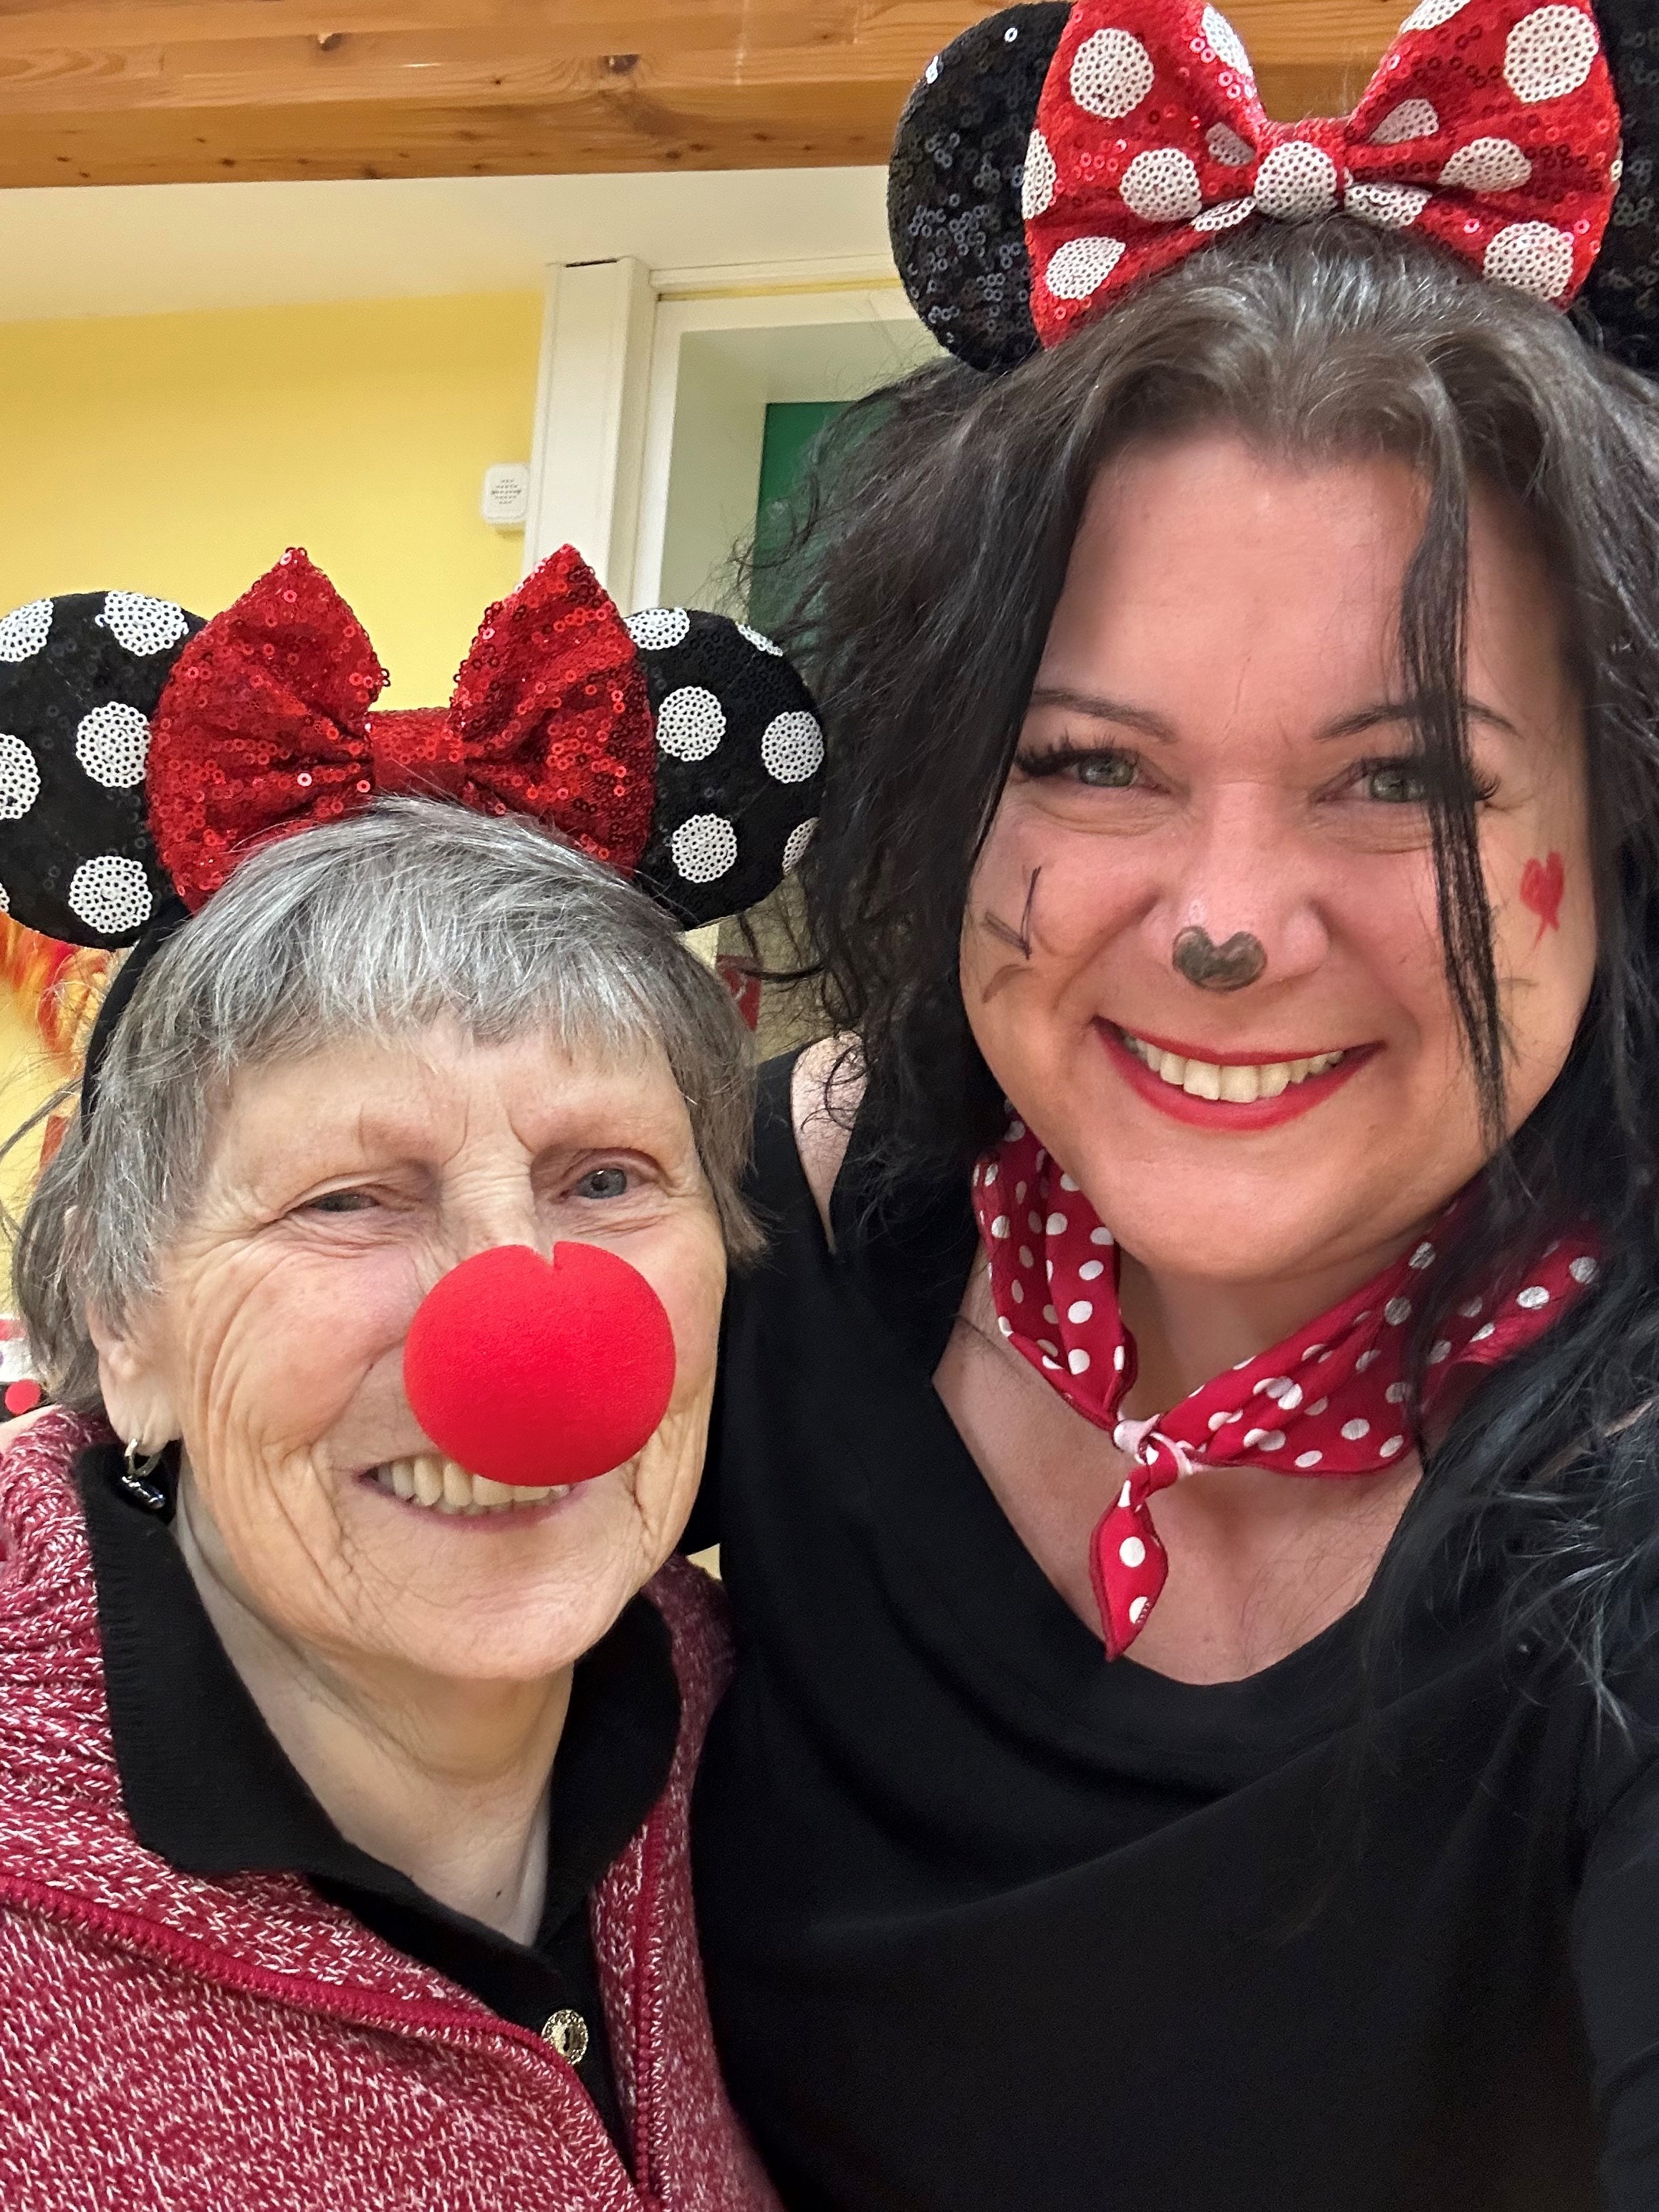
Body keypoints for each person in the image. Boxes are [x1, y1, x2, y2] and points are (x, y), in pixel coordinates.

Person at [685, 2, 1659, 2206]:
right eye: (1090, 764)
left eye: (1402, 784)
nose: (1220, 927)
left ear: (1613, 839)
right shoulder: (769, 1218)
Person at [0, 542, 821, 2211]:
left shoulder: (749, 1717)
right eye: (347, 1198)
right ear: (118, 1303)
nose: (515, 1330)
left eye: (606, 1176)